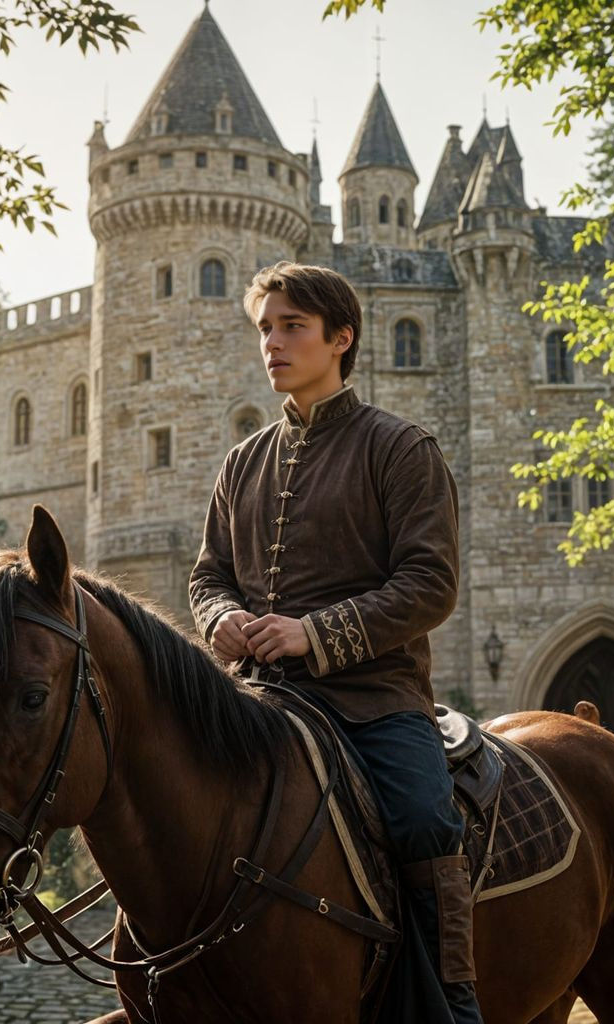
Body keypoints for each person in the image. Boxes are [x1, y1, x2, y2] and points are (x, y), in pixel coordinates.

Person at [189, 261, 483, 1023]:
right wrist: (221, 620)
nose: (273, 343)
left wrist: (312, 635)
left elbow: (430, 586)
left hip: (373, 700)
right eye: (265, 328)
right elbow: (208, 576)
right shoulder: (241, 463)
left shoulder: (400, 447)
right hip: (255, 697)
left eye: (293, 327)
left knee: (423, 816)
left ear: (341, 338)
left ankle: (449, 997)